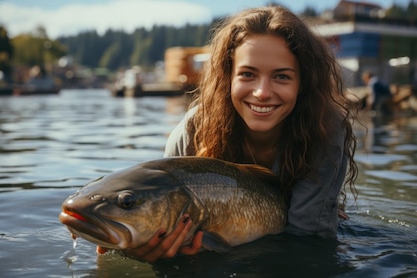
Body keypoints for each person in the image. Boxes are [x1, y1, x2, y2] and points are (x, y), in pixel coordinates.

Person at [96, 5, 359, 262]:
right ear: (228, 77)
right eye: (247, 74)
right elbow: (157, 208)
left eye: (281, 77)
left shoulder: (324, 130)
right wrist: (142, 250)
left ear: (303, 84)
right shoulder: (190, 131)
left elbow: (308, 242)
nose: (262, 92)